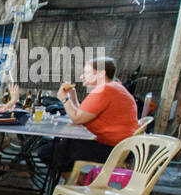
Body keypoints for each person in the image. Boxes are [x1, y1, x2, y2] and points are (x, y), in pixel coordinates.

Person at [39, 56, 138, 186]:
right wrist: (72, 97)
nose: (82, 76)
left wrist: (64, 99)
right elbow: (83, 114)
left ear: (101, 74)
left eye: (86, 73)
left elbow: (77, 118)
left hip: (113, 150)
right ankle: (80, 182)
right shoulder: (112, 87)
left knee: (48, 151)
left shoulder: (104, 90)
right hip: (122, 147)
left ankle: (82, 184)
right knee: (59, 146)